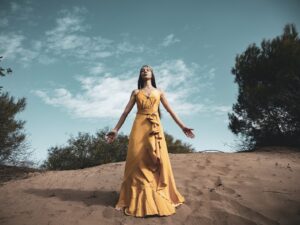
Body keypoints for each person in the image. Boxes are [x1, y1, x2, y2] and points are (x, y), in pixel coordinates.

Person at [105, 65, 195, 217]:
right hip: (139, 126)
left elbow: (170, 110)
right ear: (140, 76)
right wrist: (115, 129)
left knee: (155, 160)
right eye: (142, 70)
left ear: (152, 74)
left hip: (155, 127)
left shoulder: (159, 92)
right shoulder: (136, 92)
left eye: (148, 69)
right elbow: (125, 112)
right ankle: (131, 197)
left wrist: (183, 126)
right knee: (136, 160)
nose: (145, 71)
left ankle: (157, 192)